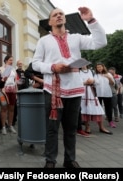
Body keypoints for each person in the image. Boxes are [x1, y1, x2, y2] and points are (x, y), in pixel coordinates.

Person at [32, 7, 107, 168]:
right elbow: (36, 63)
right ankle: (50, 160)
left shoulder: (76, 38)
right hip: (52, 89)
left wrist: (91, 20)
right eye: (55, 14)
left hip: (74, 89)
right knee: (52, 128)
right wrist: (53, 67)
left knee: (71, 128)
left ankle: (69, 160)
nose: (59, 16)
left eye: (61, 14)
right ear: (50, 21)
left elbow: (100, 42)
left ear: (64, 19)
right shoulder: (43, 41)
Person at [80, 65, 112, 135]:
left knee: (98, 109)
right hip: (83, 93)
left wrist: (93, 81)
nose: (83, 65)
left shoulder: (92, 71)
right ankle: (87, 127)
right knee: (86, 109)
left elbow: (97, 82)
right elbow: (77, 83)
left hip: (92, 92)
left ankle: (101, 127)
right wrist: (85, 83)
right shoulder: (78, 72)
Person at [94, 63, 116, 128]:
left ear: (103, 67)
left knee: (108, 108)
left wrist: (109, 78)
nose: (99, 68)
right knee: (99, 108)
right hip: (99, 94)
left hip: (107, 93)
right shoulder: (96, 75)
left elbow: (112, 84)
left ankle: (110, 121)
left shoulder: (108, 74)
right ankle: (99, 121)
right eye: (98, 67)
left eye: (100, 67)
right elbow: (94, 84)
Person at [0, 55, 17, 135]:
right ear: (6, 60)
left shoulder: (13, 70)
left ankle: (10, 125)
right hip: (4, 90)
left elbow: (15, 80)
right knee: (4, 108)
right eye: (10, 60)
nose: (12, 62)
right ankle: (3, 127)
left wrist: (16, 90)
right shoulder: (1, 69)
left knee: (12, 108)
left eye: (12, 60)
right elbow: (0, 80)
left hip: (12, 90)